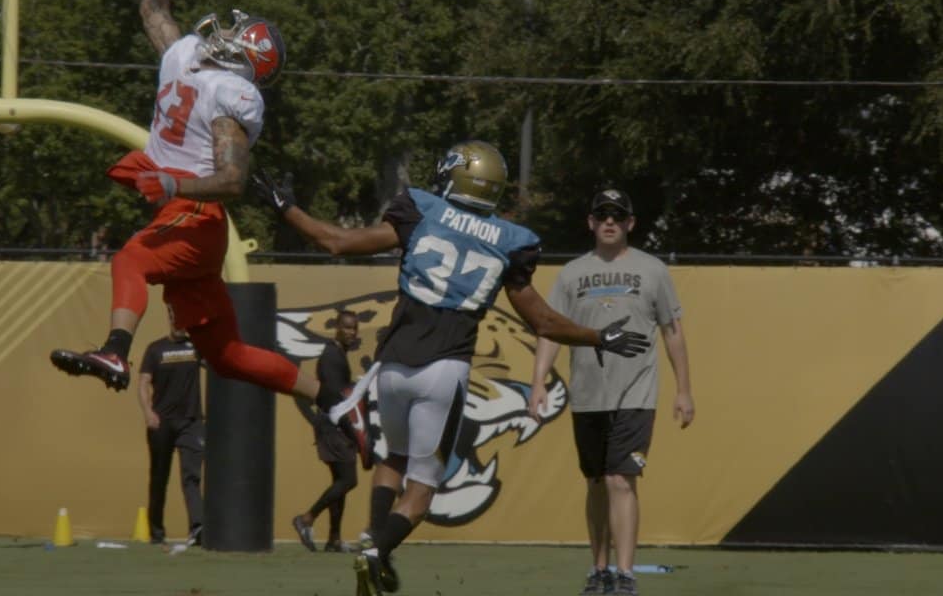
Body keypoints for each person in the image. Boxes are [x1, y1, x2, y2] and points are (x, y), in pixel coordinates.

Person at [251, 140, 652, 596]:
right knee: (422, 490)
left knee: (393, 458)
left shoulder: (420, 209)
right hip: (445, 371)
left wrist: (288, 208)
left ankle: (373, 538)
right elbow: (542, 321)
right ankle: (377, 550)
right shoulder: (512, 241)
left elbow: (337, 241)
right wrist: (599, 336)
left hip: (393, 367)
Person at [47, 0, 345, 417]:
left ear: (245, 56)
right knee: (227, 357)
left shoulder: (231, 93)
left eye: (234, 33)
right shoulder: (185, 55)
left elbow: (232, 180)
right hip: (181, 213)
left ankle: (116, 352)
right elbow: (151, 5)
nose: (222, 31)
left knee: (131, 259)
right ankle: (337, 401)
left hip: (196, 215)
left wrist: (173, 185)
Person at [528, 188, 695, 596]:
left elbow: (673, 332)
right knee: (597, 482)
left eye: (617, 216)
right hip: (588, 395)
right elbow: (550, 331)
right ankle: (599, 569)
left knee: (622, 479)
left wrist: (684, 390)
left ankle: (625, 574)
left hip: (636, 394)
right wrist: (538, 382)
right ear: (590, 222)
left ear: (630, 224)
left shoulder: (652, 269)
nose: (609, 222)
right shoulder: (570, 274)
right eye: (602, 214)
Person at [292, 309, 363, 553]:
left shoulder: (338, 353)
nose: (351, 332)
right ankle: (307, 518)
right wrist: (354, 434)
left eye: (354, 328)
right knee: (348, 480)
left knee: (340, 482)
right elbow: (334, 400)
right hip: (333, 425)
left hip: (333, 424)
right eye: (347, 327)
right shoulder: (332, 355)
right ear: (337, 328)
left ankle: (334, 540)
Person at [138, 305, 204, 546]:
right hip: (162, 423)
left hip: (191, 422)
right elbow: (143, 382)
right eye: (174, 317)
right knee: (159, 478)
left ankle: (198, 529)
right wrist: (148, 412)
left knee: (192, 476)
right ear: (169, 317)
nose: (178, 322)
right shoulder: (155, 349)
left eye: (182, 318)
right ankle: (157, 533)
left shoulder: (197, 347)